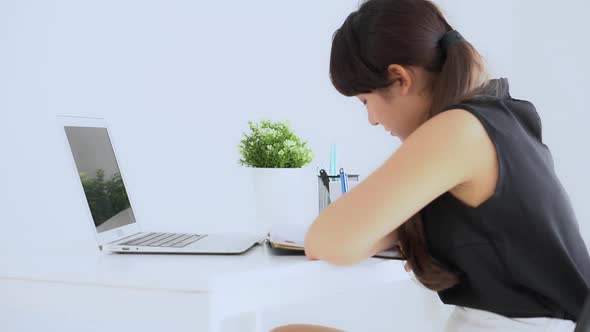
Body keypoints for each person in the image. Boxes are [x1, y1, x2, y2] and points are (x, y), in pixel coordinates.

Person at [271, 0, 590, 331]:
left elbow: (329, 241)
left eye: (366, 101)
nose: (371, 120)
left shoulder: (459, 128)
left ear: (400, 78)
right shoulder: (499, 117)